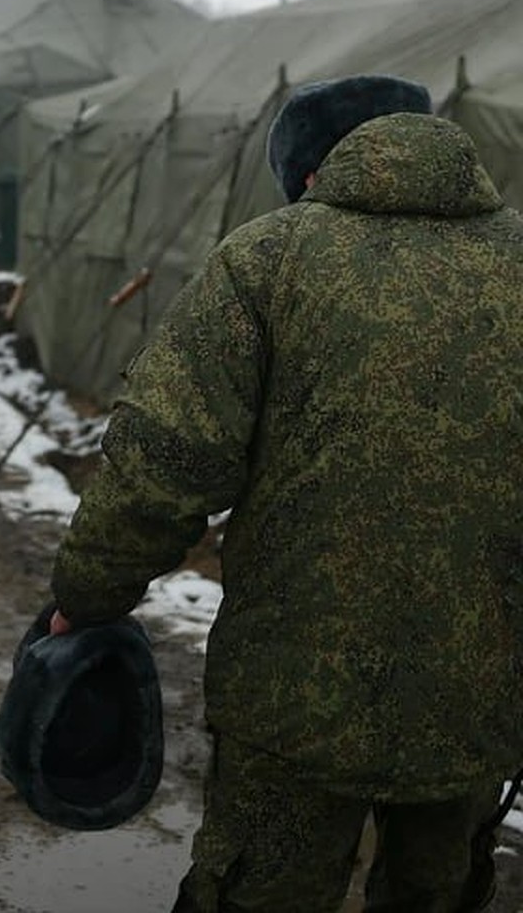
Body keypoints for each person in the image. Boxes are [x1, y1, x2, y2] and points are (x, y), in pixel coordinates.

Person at [47, 74, 523, 912]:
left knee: (263, 893)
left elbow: (166, 458)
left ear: (313, 171)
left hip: (296, 697)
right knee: (439, 893)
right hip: (481, 692)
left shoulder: (268, 260)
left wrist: (88, 595)